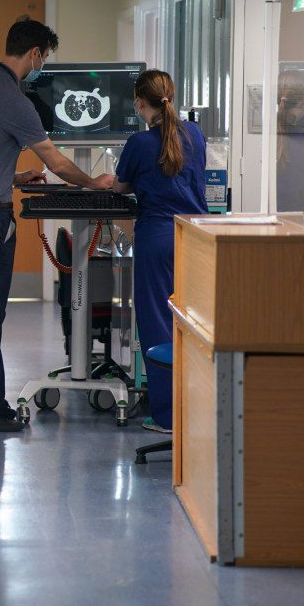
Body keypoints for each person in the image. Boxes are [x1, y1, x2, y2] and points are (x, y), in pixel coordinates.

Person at [0, 17, 115, 433]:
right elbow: (55, 161)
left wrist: (14, 177)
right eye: (44, 58)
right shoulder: (14, 100)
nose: (41, 67)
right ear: (35, 54)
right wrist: (94, 183)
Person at [113, 69, 208, 433]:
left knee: (156, 324)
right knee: (191, 325)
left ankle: (168, 416)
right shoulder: (195, 135)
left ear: (140, 102)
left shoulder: (139, 143)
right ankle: (196, 411)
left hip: (156, 239)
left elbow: (120, 185)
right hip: (193, 238)